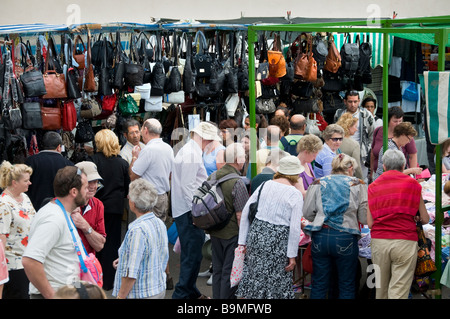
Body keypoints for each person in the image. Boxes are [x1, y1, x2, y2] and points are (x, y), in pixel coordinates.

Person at [237, 156, 304, 299]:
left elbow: (246, 212)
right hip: (278, 240)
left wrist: (242, 241)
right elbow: (294, 228)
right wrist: (292, 255)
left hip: (256, 235)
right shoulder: (295, 194)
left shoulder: (264, 185)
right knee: (276, 283)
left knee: (254, 278)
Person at [303, 153, 368, 299]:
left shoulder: (318, 182)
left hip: (320, 235)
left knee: (319, 284)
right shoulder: (358, 184)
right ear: (350, 168)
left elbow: (307, 213)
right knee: (346, 284)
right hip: (345, 236)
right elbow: (364, 217)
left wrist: (320, 216)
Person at [367, 149, 429, 299]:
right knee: (399, 290)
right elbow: (425, 218)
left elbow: (370, 223)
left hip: (379, 243)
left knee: (380, 290)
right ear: (403, 166)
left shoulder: (373, 187)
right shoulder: (413, 185)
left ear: (385, 166)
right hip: (405, 241)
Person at [22, 166, 89, 299]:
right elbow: (30, 261)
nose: (89, 191)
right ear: (74, 192)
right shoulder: (53, 218)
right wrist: (52, 296)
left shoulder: (61, 213)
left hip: (68, 291)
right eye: (86, 188)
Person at [171, 121, 219, 299]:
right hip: (188, 211)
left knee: (192, 255)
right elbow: (188, 187)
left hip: (184, 210)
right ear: (207, 139)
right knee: (192, 256)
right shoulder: (192, 153)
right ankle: (182, 294)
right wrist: (196, 212)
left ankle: (189, 291)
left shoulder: (189, 150)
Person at [112, 178, 169, 299]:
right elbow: (160, 255)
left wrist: (120, 296)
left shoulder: (137, 230)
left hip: (141, 292)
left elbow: (131, 273)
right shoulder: (159, 223)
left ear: (133, 202)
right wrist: (123, 259)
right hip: (157, 287)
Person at [88, 129, 130, 290]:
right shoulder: (122, 163)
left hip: (95, 207)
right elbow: (127, 189)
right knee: (112, 244)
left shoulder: (93, 161)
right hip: (115, 207)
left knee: (95, 243)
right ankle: (111, 280)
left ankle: (95, 278)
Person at [208, 143, 249, 299]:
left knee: (217, 269)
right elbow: (241, 215)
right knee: (228, 271)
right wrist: (243, 240)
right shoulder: (237, 182)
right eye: (244, 157)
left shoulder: (212, 176)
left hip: (214, 229)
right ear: (238, 160)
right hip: (231, 233)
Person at [0, 161, 35, 299]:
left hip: (27, 259)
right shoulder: (4, 204)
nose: (30, 183)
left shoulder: (24, 197)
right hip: (13, 265)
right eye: (26, 180)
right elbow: (1, 237)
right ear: (14, 183)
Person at [129, 118, 174, 222]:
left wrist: (135, 157)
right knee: (160, 228)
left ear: (145, 130)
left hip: (150, 198)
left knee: (149, 228)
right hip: (163, 197)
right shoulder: (168, 148)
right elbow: (171, 175)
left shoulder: (148, 150)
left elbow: (133, 176)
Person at [25, 131, 73, 210]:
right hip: (60, 210)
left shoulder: (31, 161)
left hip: (34, 209)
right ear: (58, 147)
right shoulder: (68, 165)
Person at [334, 90, 375, 181]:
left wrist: (369, 149)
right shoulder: (339, 114)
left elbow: (372, 134)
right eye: (350, 101)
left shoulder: (366, 115)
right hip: (343, 150)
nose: (353, 104)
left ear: (359, 101)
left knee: (361, 176)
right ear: (345, 101)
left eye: (355, 101)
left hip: (361, 152)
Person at [371, 106, 419, 180]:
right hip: (384, 183)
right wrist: (411, 170)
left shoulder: (397, 145)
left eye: (400, 121)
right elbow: (391, 173)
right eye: (395, 121)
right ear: (402, 135)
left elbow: (413, 155)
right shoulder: (390, 147)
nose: (409, 142)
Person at [73, 161, 106, 256]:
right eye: (89, 182)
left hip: (87, 264)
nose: (93, 186)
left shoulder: (98, 204)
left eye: (96, 182)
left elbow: (99, 245)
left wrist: (85, 226)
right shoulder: (65, 203)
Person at [336, 112, 363, 179]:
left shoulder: (333, 141)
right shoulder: (354, 145)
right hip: (347, 178)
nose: (356, 129)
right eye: (355, 126)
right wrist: (362, 181)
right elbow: (357, 167)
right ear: (348, 127)